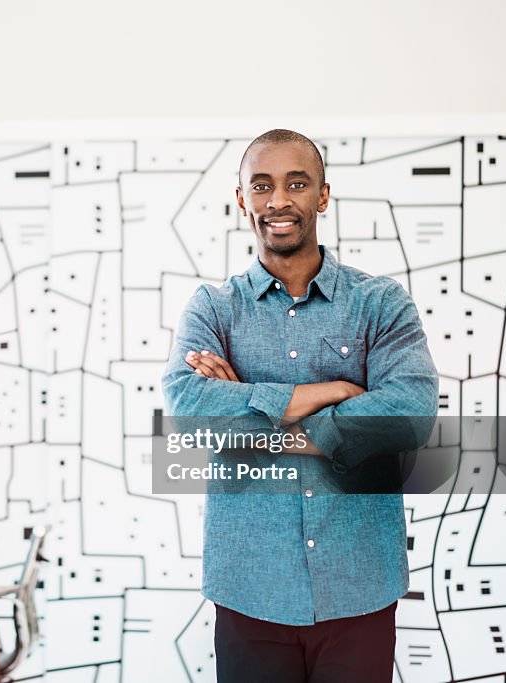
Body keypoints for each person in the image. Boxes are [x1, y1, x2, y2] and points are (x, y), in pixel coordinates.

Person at [161, 129, 439, 682]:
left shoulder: (380, 304)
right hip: (249, 587)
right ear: (242, 199)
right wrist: (334, 391)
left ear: (323, 195)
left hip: (358, 581)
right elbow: (189, 411)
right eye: (261, 185)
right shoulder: (213, 308)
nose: (278, 200)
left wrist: (249, 416)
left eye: (296, 183)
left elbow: (410, 411)